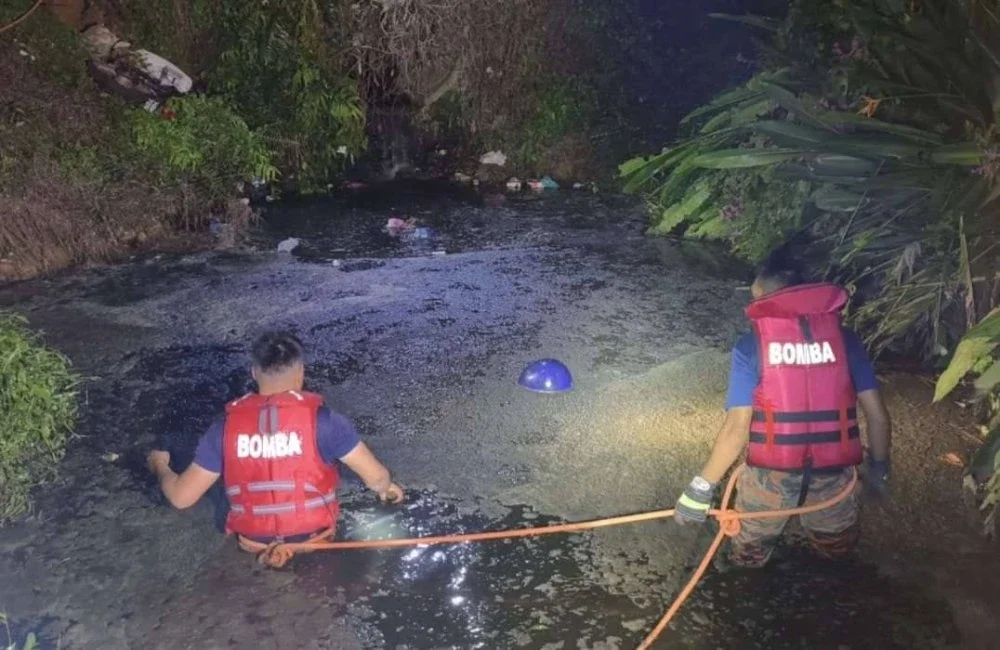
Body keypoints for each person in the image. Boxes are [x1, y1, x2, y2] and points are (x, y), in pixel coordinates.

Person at [673, 252, 892, 569]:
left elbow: (737, 430)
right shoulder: (845, 340)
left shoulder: (750, 346)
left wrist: (700, 490)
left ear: (763, 298)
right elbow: (878, 416)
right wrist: (880, 469)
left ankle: (750, 585)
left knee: (748, 556)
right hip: (832, 476)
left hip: (770, 480)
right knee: (836, 555)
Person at [147, 331, 404, 549]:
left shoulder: (223, 429)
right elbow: (377, 478)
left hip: (252, 543)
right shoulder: (325, 422)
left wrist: (160, 465)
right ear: (300, 371)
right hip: (315, 541)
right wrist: (386, 488)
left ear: (254, 373)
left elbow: (181, 498)